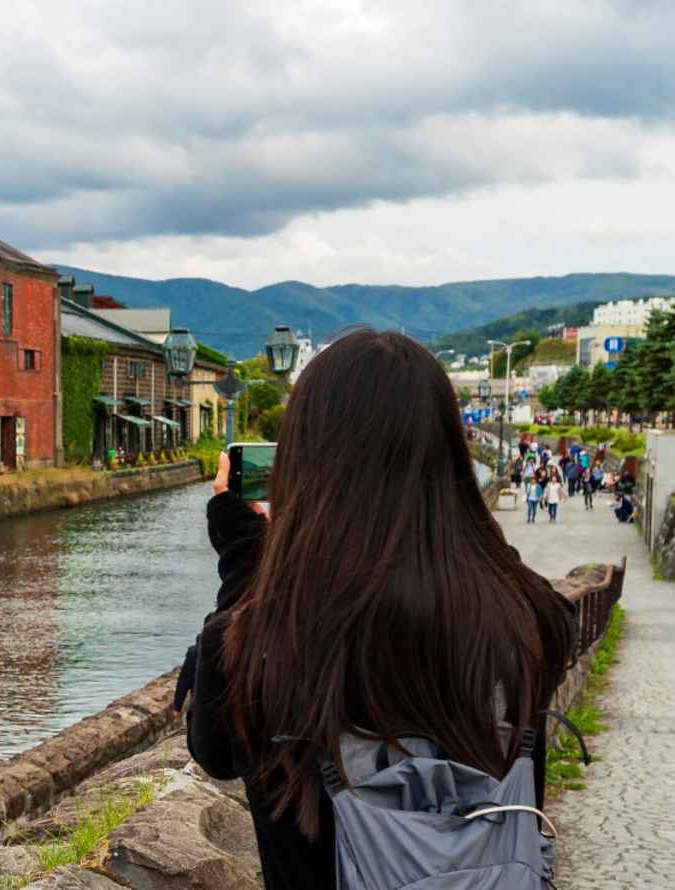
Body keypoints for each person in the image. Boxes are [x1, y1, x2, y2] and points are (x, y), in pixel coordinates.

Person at [179, 330, 575, 890]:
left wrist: (249, 559)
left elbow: (215, 750)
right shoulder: (532, 619)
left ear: (302, 464)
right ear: (450, 458)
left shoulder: (259, 642)